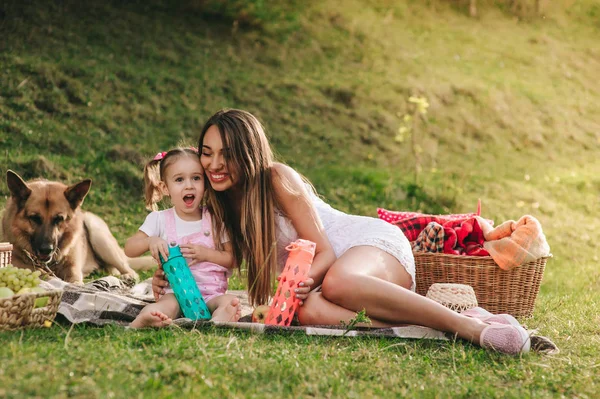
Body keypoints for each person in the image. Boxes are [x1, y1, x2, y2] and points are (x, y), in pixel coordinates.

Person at [151, 110, 531, 354]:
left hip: (367, 247)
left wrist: (306, 279)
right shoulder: (221, 206)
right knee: (310, 310)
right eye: (207, 152)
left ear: (249, 152)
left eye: (227, 153)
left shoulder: (275, 178)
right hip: (323, 283)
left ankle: (467, 326)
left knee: (335, 283)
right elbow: (216, 266)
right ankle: (435, 323)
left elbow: (325, 253)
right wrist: (169, 277)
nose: (214, 164)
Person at [125, 147, 241, 328]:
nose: (189, 185)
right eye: (179, 179)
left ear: (205, 183)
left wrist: (206, 254)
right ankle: (149, 318)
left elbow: (234, 259)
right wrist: (150, 241)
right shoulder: (160, 219)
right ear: (165, 188)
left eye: (196, 178)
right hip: (176, 293)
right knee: (166, 305)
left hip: (212, 294)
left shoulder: (216, 219)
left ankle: (218, 321)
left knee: (229, 301)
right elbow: (129, 248)